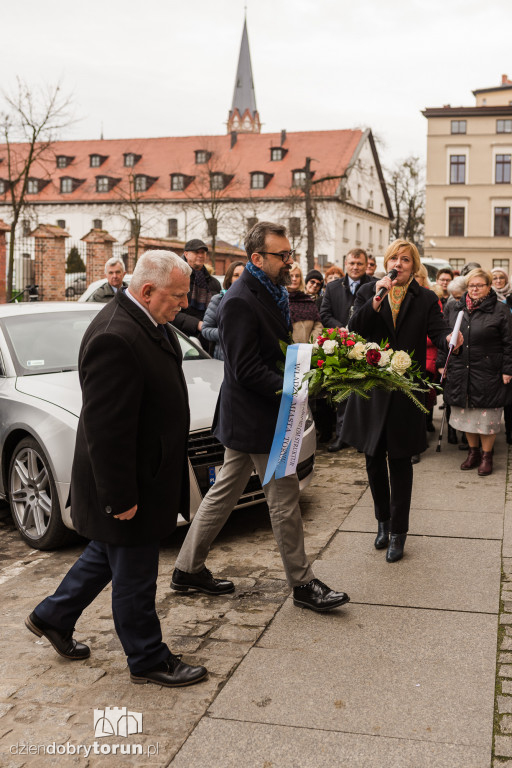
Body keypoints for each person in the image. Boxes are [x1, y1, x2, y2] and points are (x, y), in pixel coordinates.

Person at [26, 250, 208, 688]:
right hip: (130, 483)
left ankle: (53, 615)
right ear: (147, 291)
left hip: (144, 473)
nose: (182, 305)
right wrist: (120, 498)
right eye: (177, 296)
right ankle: (147, 658)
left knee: (104, 556)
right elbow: (108, 431)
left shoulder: (146, 320)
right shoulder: (115, 335)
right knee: (136, 576)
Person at [171, 221, 350, 613]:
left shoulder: (271, 292)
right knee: (284, 499)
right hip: (256, 418)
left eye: (290, 253)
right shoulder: (239, 300)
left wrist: (309, 365)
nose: (289, 260)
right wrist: (295, 387)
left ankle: (186, 569)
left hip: (253, 415)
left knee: (223, 493)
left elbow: (274, 351)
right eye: (281, 255)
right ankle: (303, 584)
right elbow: (244, 368)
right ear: (257, 258)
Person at [341, 239, 461, 562]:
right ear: (386, 262)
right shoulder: (369, 292)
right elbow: (354, 328)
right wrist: (376, 301)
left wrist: (450, 337)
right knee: (373, 458)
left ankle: (398, 532)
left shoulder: (425, 298)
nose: (399, 263)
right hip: (373, 389)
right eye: (394, 257)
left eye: (405, 259)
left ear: (414, 265)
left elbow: (438, 333)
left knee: (400, 461)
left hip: (406, 389)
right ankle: (382, 521)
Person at [438, 268, 512, 476]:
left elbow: (509, 343)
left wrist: (508, 369)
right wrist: (442, 363)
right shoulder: (455, 308)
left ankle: (487, 455)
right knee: (466, 414)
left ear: (489, 287)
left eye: (480, 285)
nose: (475, 289)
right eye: (472, 285)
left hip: (489, 371)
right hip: (461, 369)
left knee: (487, 416)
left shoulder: (500, 310)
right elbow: (445, 337)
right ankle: (473, 453)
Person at [320, 248, 376, 452]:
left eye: (359, 264)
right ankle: (342, 435)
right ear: (346, 264)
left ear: (366, 264)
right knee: (344, 394)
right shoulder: (333, 287)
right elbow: (324, 314)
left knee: (366, 392)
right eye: (352, 263)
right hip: (342, 346)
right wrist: (343, 330)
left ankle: (365, 438)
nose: (355, 267)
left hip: (367, 345)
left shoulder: (375, 285)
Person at [172, 238, 221, 349]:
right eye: (196, 252)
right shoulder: (176, 279)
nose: (200, 255)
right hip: (184, 340)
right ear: (186, 254)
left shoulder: (214, 283)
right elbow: (171, 312)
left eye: (203, 252)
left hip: (211, 339)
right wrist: (197, 324)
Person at [201, 260, 246, 359]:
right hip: (224, 359)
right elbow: (205, 330)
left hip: (247, 358)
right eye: (236, 275)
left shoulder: (254, 301)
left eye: (243, 275)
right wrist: (227, 333)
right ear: (229, 278)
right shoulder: (218, 300)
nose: (240, 279)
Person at [288, 262, 323, 343]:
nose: (294, 279)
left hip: (306, 350)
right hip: (285, 349)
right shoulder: (279, 299)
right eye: (291, 276)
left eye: (297, 276)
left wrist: (310, 344)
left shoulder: (308, 301)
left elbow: (318, 325)